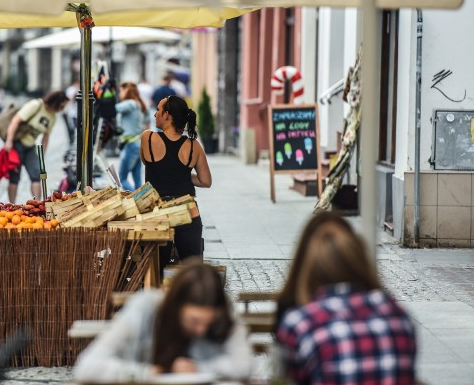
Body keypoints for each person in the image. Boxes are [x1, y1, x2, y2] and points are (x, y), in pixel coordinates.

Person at [274, 212, 417, 385]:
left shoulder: (302, 323)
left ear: (309, 263)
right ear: (358, 259)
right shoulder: (398, 317)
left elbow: (286, 377)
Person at [73, 261, 253, 382]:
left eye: (207, 322)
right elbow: (87, 366)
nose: (200, 330)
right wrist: (150, 373)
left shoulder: (222, 316)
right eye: (193, 321)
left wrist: (197, 367)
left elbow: (244, 365)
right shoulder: (146, 308)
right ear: (175, 306)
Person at [140, 95, 212, 272]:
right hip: (187, 211)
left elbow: (149, 165)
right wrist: (182, 174)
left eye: (158, 110)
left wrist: (174, 173)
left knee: (155, 270)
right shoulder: (194, 146)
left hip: (158, 211)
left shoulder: (148, 138)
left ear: (167, 115)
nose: (155, 114)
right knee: (192, 270)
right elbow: (205, 181)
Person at [4, 91, 69, 204]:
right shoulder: (36, 105)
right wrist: (9, 141)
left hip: (30, 147)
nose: (62, 109)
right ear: (56, 101)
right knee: (14, 177)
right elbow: (16, 121)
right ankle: (11, 205)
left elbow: (46, 137)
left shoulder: (52, 117)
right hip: (17, 144)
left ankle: (37, 204)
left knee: (36, 175)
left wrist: (41, 155)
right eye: (62, 106)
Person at [116, 82, 147, 191]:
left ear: (126, 91)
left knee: (122, 178)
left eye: (121, 90)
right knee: (137, 178)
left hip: (131, 145)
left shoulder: (130, 104)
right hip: (138, 145)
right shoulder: (137, 103)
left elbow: (114, 109)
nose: (119, 93)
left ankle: (134, 199)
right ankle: (142, 203)